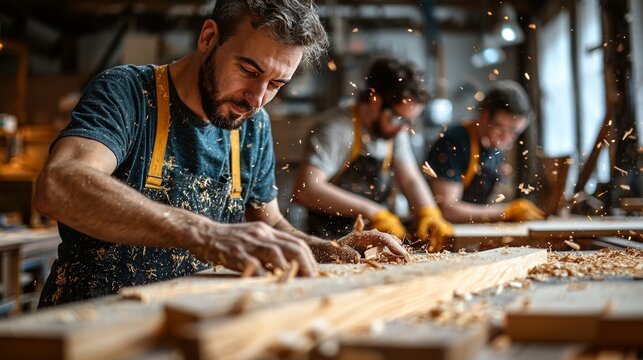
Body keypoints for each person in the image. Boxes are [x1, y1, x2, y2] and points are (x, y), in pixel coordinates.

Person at [33, 0, 409, 307]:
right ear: (209, 37)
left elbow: (271, 225)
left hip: (184, 323)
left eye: (277, 84)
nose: (257, 98)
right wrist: (205, 234)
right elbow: (59, 183)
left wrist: (331, 251)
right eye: (248, 70)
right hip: (91, 323)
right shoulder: (129, 93)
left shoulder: (252, 124)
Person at [293, 57, 452, 251]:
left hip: (375, 246)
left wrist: (429, 212)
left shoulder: (394, 131)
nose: (404, 129)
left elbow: (410, 179)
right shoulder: (336, 129)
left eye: (409, 122)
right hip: (331, 245)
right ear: (375, 99)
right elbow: (306, 189)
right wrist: (374, 213)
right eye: (399, 118)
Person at [425, 80, 545, 223]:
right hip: (444, 232)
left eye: (514, 132)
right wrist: (506, 212)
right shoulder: (454, 142)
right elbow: (448, 209)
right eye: (501, 129)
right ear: (485, 116)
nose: (507, 138)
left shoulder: (495, 146)